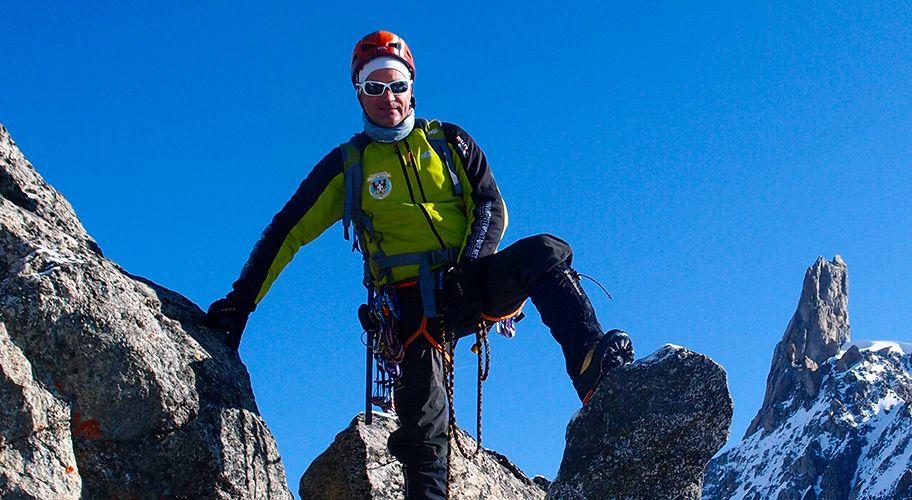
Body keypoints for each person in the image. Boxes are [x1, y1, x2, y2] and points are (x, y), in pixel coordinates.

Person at [202, 31, 633, 500]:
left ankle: (593, 372)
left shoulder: (449, 141)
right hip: (409, 305)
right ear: (359, 93)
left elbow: (490, 207)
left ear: (412, 87)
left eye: (397, 84)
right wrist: (241, 303)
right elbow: (288, 231)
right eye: (374, 87)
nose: (388, 96)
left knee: (546, 253)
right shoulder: (349, 166)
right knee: (425, 420)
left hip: (471, 282)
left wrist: (469, 269)